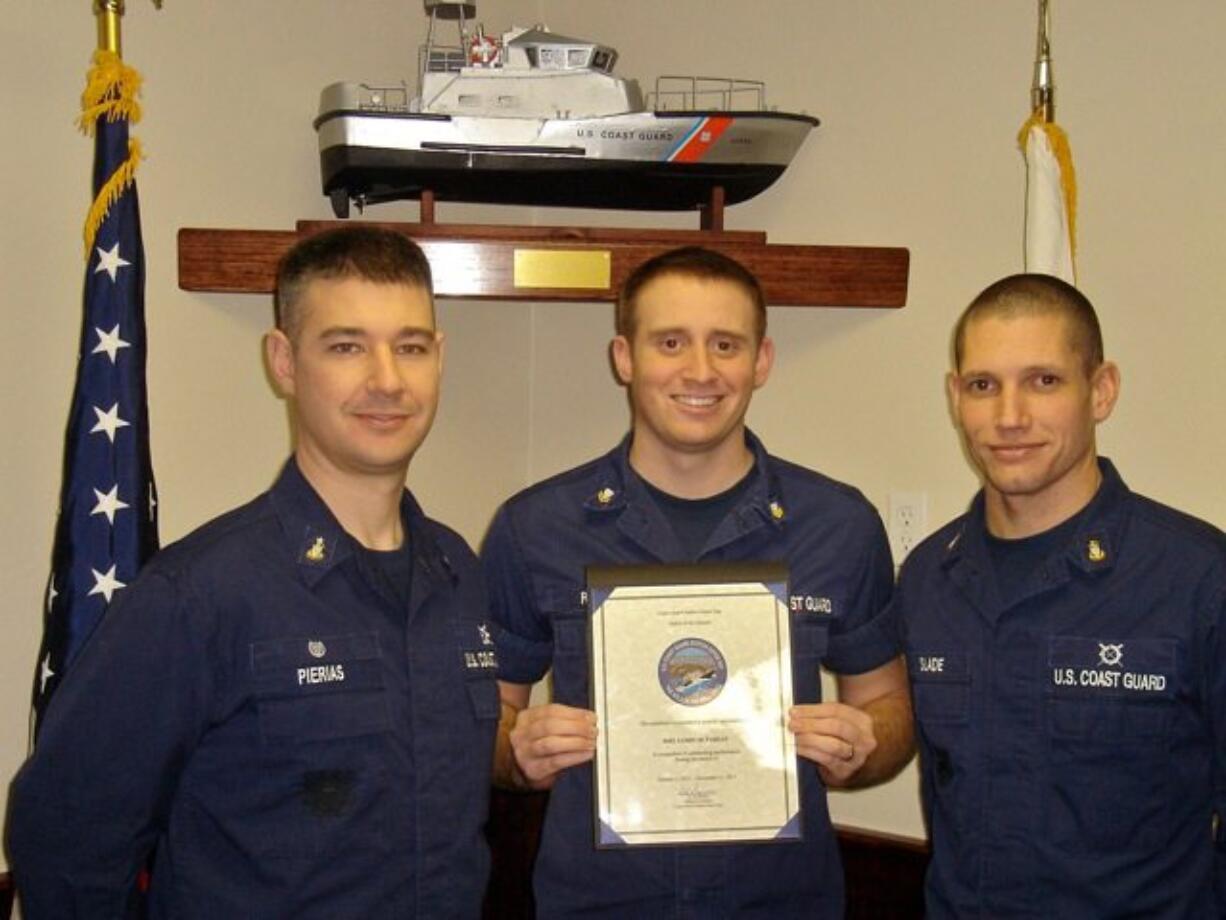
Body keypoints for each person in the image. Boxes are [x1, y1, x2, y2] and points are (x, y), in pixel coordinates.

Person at [8, 226, 498, 918]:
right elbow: (63, 835)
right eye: (346, 346)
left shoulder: (458, 576)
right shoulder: (200, 595)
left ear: (439, 360)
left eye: (410, 347)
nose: (387, 379)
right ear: (284, 362)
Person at [482, 246, 914, 918]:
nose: (700, 371)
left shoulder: (839, 523)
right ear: (624, 357)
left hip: (781, 901)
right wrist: (517, 750)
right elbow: (487, 716)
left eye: (725, 344)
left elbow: (890, 705)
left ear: (761, 361)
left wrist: (864, 745)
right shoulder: (534, 527)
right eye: (671, 342)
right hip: (598, 903)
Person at [897, 273, 1226, 917]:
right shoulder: (929, 579)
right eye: (982, 385)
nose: (1008, 417)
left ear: (1100, 391)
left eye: (1043, 381)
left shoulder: (1197, 579)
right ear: (953, 397)